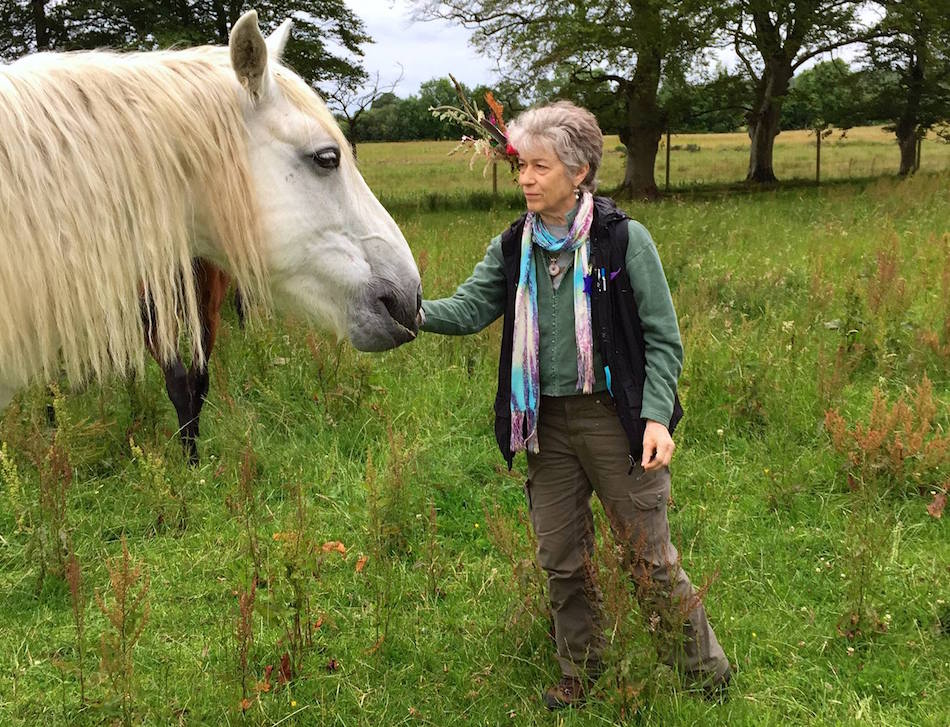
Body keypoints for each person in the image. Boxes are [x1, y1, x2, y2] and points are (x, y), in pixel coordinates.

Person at [419, 101, 730, 710]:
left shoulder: (623, 241)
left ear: (580, 170)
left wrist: (657, 417)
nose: (526, 179)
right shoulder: (513, 247)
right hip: (545, 423)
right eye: (521, 168)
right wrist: (410, 312)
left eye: (540, 167)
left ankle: (704, 675)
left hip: (616, 420)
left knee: (650, 558)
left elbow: (663, 338)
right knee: (561, 560)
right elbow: (466, 310)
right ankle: (582, 672)